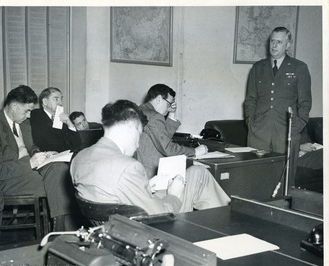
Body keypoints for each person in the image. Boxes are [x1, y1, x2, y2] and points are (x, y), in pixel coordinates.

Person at [71, 99, 230, 215]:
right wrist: (174, 195)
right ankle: (224, 232)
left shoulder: (79, 159)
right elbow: (160, 214)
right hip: (147, 233)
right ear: (131, 129)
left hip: (117, 223)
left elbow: (111, 189)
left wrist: (145, 185)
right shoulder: (127, 166)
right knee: (200, 175)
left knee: (196, 172)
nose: (138, 144)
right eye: (139, 134)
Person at [0, 85, 78, 231]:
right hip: (6, 182)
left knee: (60, 169)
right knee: (61, 182)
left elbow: (30, 147)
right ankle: (62, 232)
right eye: (27, 111)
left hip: (26, 170)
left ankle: (60, 230)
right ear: (14, 106)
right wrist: (30, 163)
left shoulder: (22, 123)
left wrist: (42, 153)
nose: (30, 115)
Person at [135, 84, 230, 208]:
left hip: (143, 181)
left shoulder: (140, 111)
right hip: (157, 186)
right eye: (168, 104)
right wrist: (195, 152)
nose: (169, 107)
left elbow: (161, 138)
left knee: (197, 173)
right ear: (159, 99)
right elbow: (167, 148)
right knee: (201, 173)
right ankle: (225, 213)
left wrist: (171, 115)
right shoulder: (155, 116)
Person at [244, 27, 312, 188]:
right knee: (255, 179)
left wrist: (295, 129)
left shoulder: (299, 68)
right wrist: (250, 123)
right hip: (258, 133)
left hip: (286, 134)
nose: (274, 45)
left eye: (279, 42)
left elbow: (305, 103)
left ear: (288, 44)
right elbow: (250, 100)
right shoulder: (258, 68)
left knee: (284, 180)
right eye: (272, 41)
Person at [30, 87, 81, 153]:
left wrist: (69, 123)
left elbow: (77, 143)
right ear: (45, 102)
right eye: (56, 99)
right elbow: (48, 143)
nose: (60, 103)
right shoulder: (35, 115)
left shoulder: (60, 117)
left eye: (61, 99)